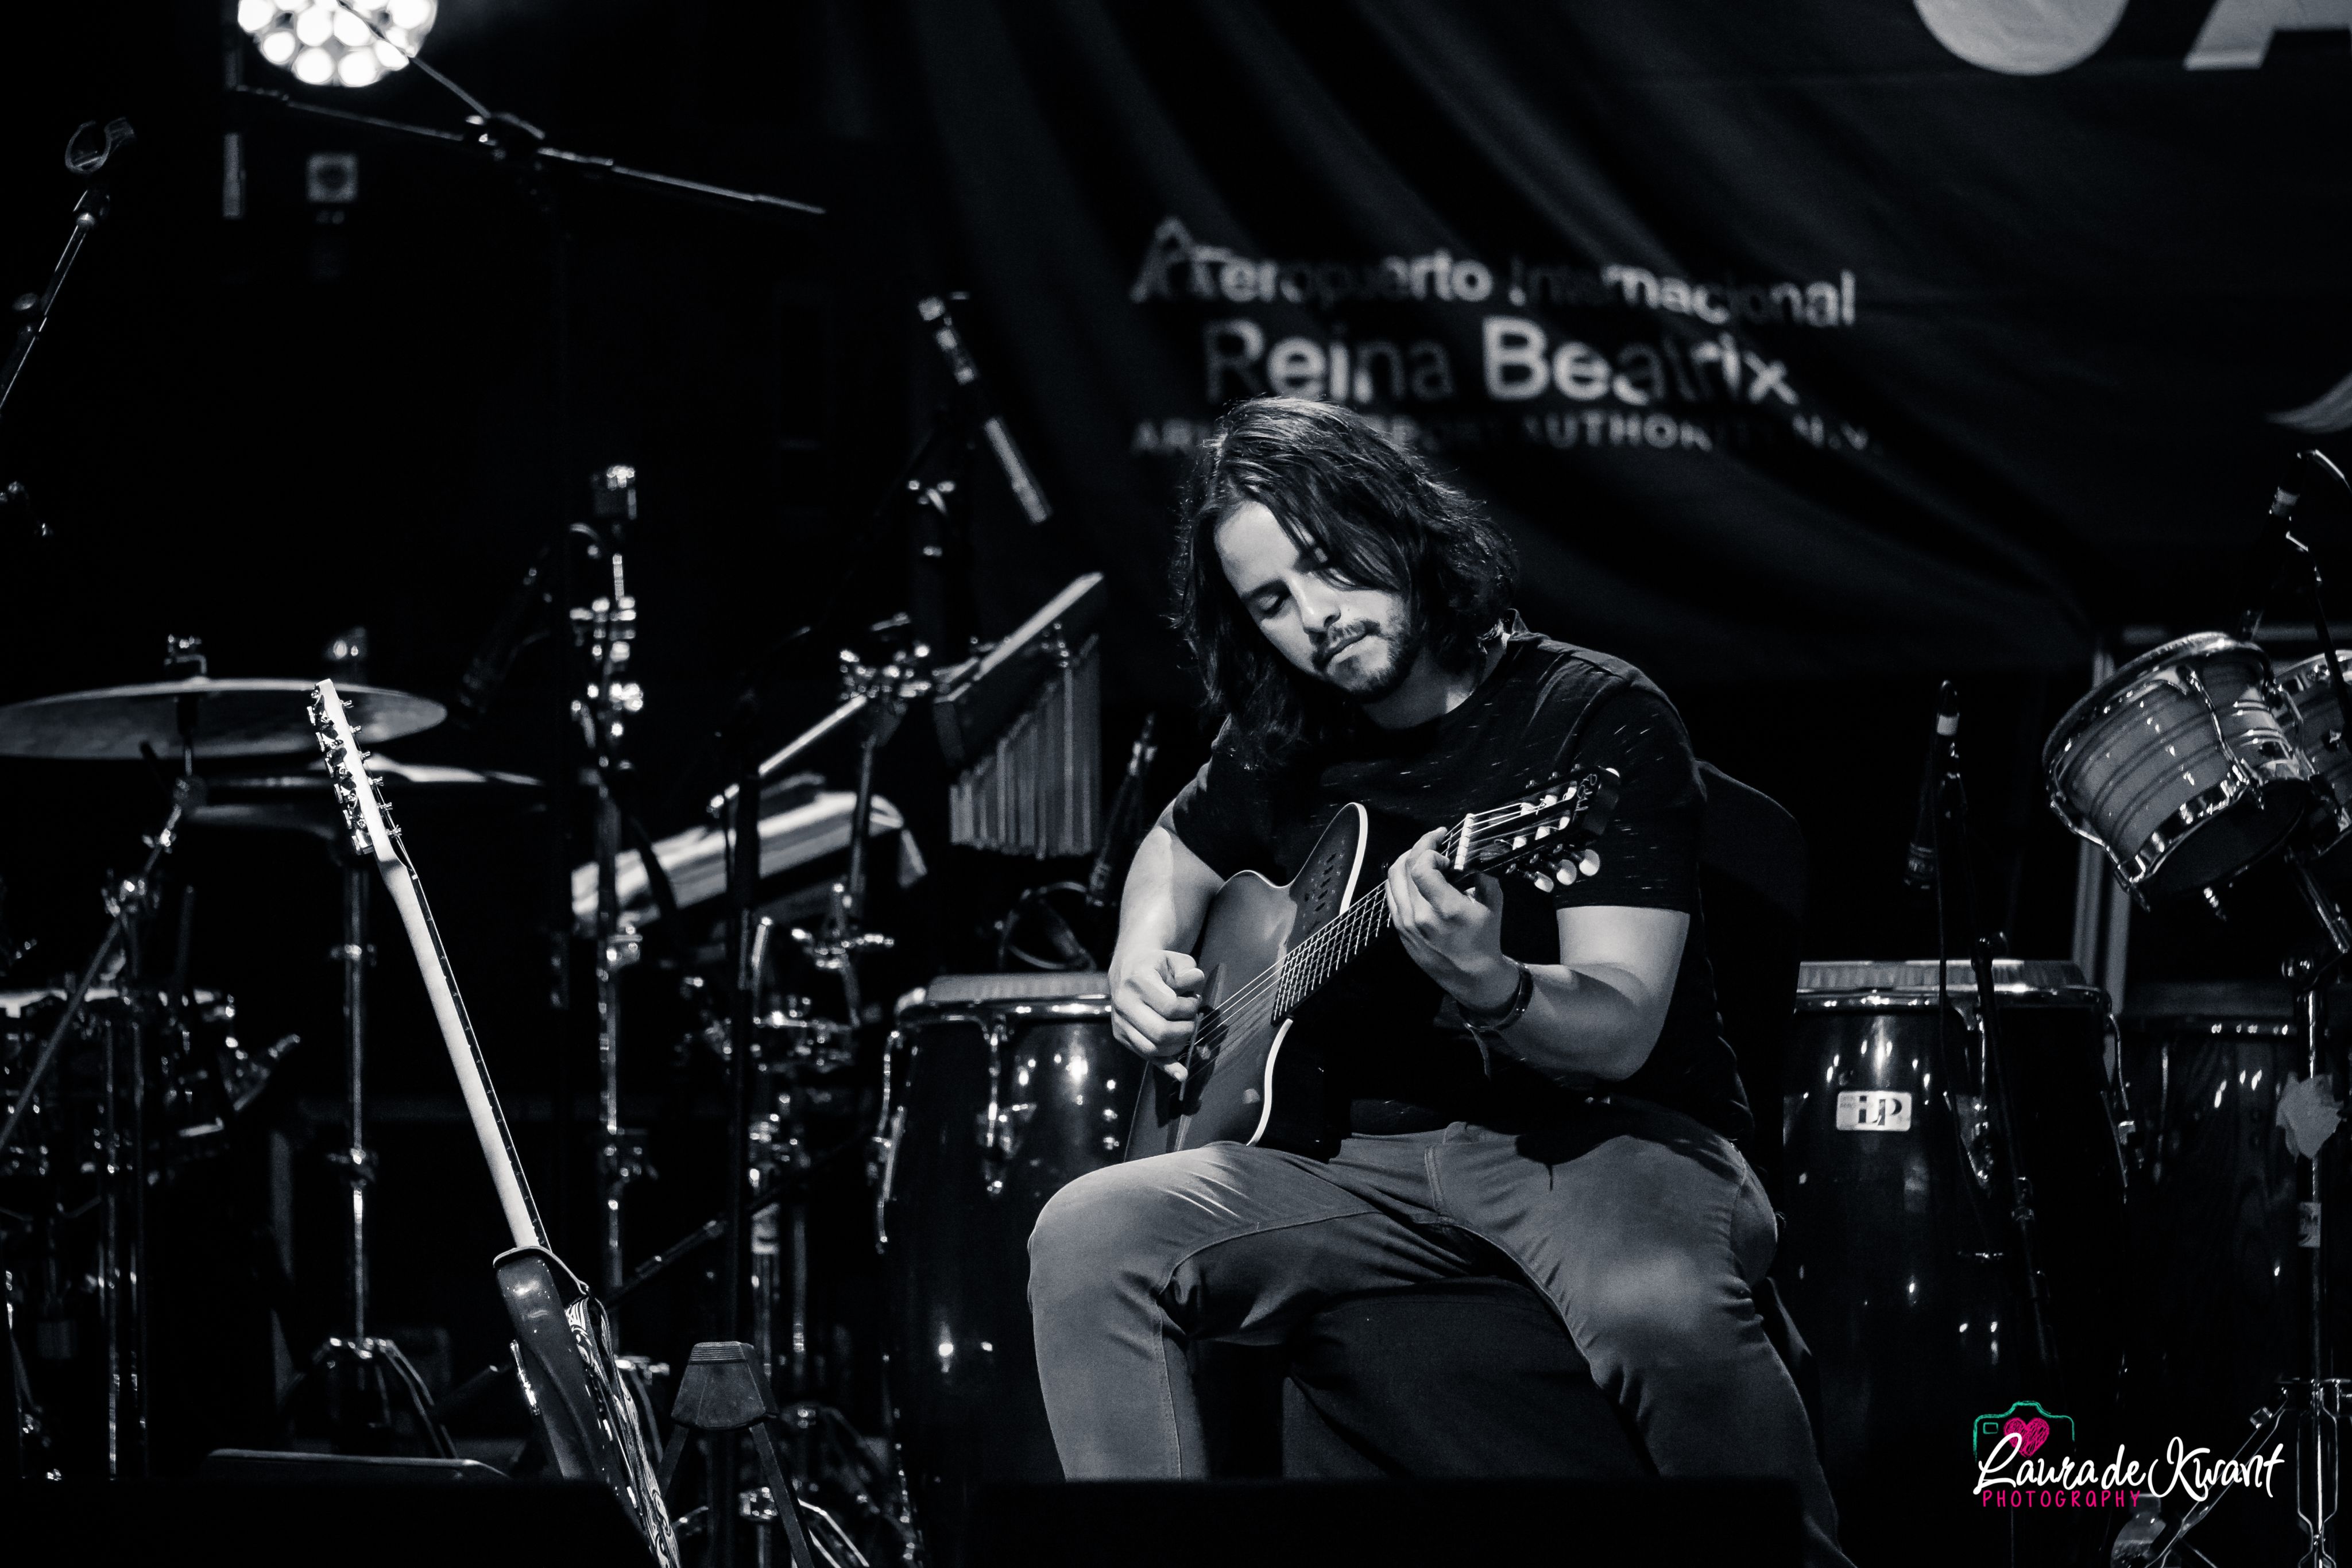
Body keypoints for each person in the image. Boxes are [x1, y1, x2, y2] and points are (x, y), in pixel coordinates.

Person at [1026, 396, 1851, 1567]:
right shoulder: (1285, 731)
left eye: (1328, 565)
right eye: (1271, 601)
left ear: (1401, 525)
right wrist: (1137, 949)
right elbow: (1174, 844)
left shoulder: (1591, 717)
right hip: (1351, 1163)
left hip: (1593, 1141)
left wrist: (1494, 983)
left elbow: (1618, 1028)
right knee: (1086, 1233)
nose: (1315, 617)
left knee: (1655, 1310)